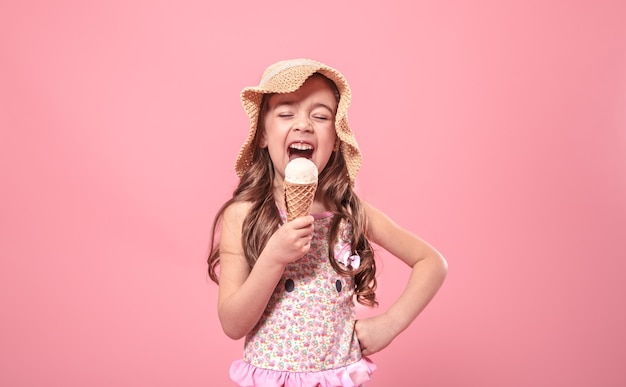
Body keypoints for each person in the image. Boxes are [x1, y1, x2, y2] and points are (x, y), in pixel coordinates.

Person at [207, 58, 448, 387]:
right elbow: (233, 324)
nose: (304, 124)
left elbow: (431, 262)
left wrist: (391, 323)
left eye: (320, 116)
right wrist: (274, 257)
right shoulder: (243, 214)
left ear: (335, 140)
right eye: (286, 112)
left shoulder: (349, 210)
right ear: (263, 134)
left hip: (338, 377)